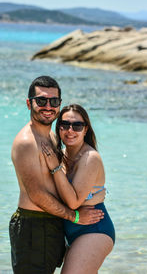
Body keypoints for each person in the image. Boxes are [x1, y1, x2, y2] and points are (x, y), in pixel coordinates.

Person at [9, 76, 105, 274]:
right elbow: (36, 194)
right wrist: (74, 216)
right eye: (41, 100)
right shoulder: (27, 142)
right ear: (29, 103)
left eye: (54, 101)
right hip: (34, 225)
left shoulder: (52, 136)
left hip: (53, 224)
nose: (48, 106)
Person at [42, 104, 115, 274]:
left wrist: (55, 168)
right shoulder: (60, 154)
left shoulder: (90, 158)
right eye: (65, 124)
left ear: (85, 129)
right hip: (70, 229)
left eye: (77, 126)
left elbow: (74, 202)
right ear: (58, 127)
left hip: (94, 229)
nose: (70, 130)